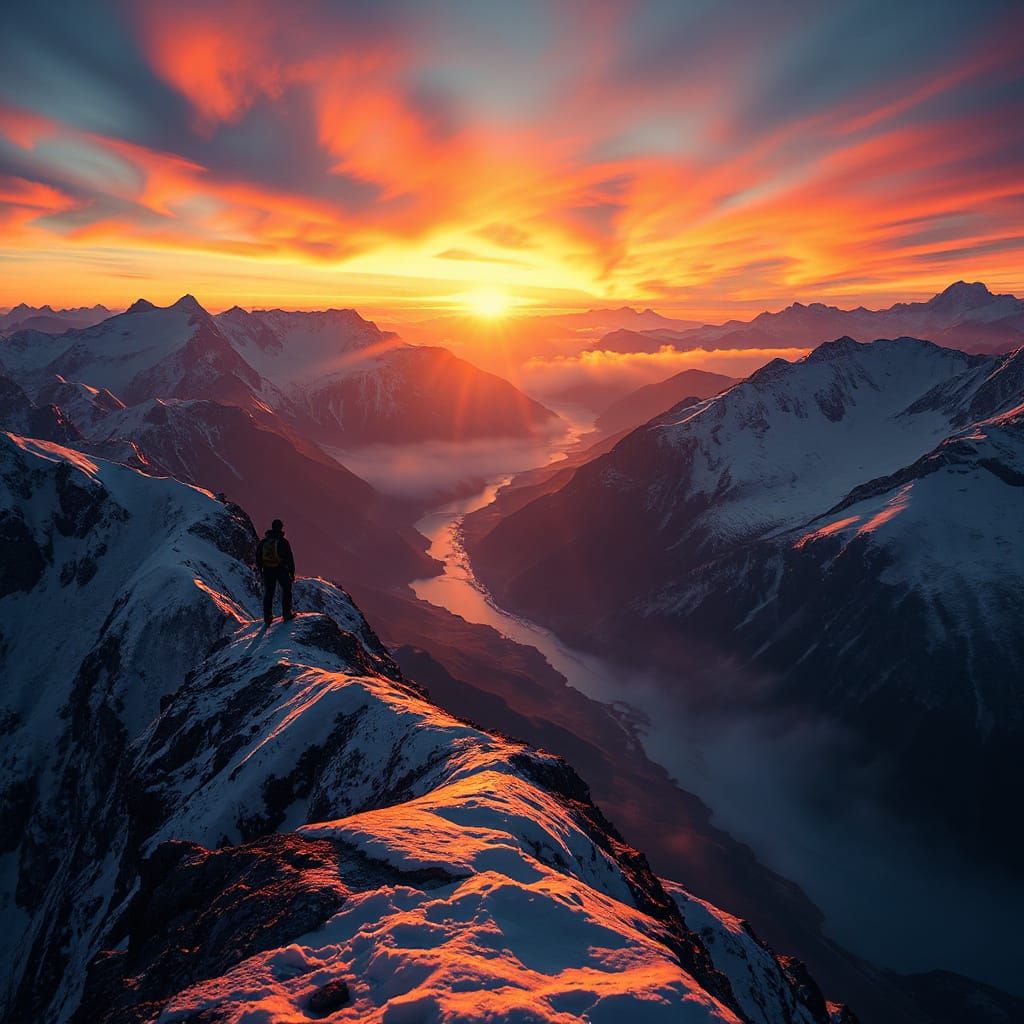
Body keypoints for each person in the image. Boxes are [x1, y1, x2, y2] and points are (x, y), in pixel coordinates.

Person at [255, 518, 295, 626]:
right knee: (286, 590)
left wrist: (261, 570)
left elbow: (258, 557)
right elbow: (290, 558)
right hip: (281, 569)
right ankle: (286, 613)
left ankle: (267, 617)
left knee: (269, 593)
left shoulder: (264, 542)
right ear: (281, 527)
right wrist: (292, 572)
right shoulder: (283, 542)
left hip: (268, 570)